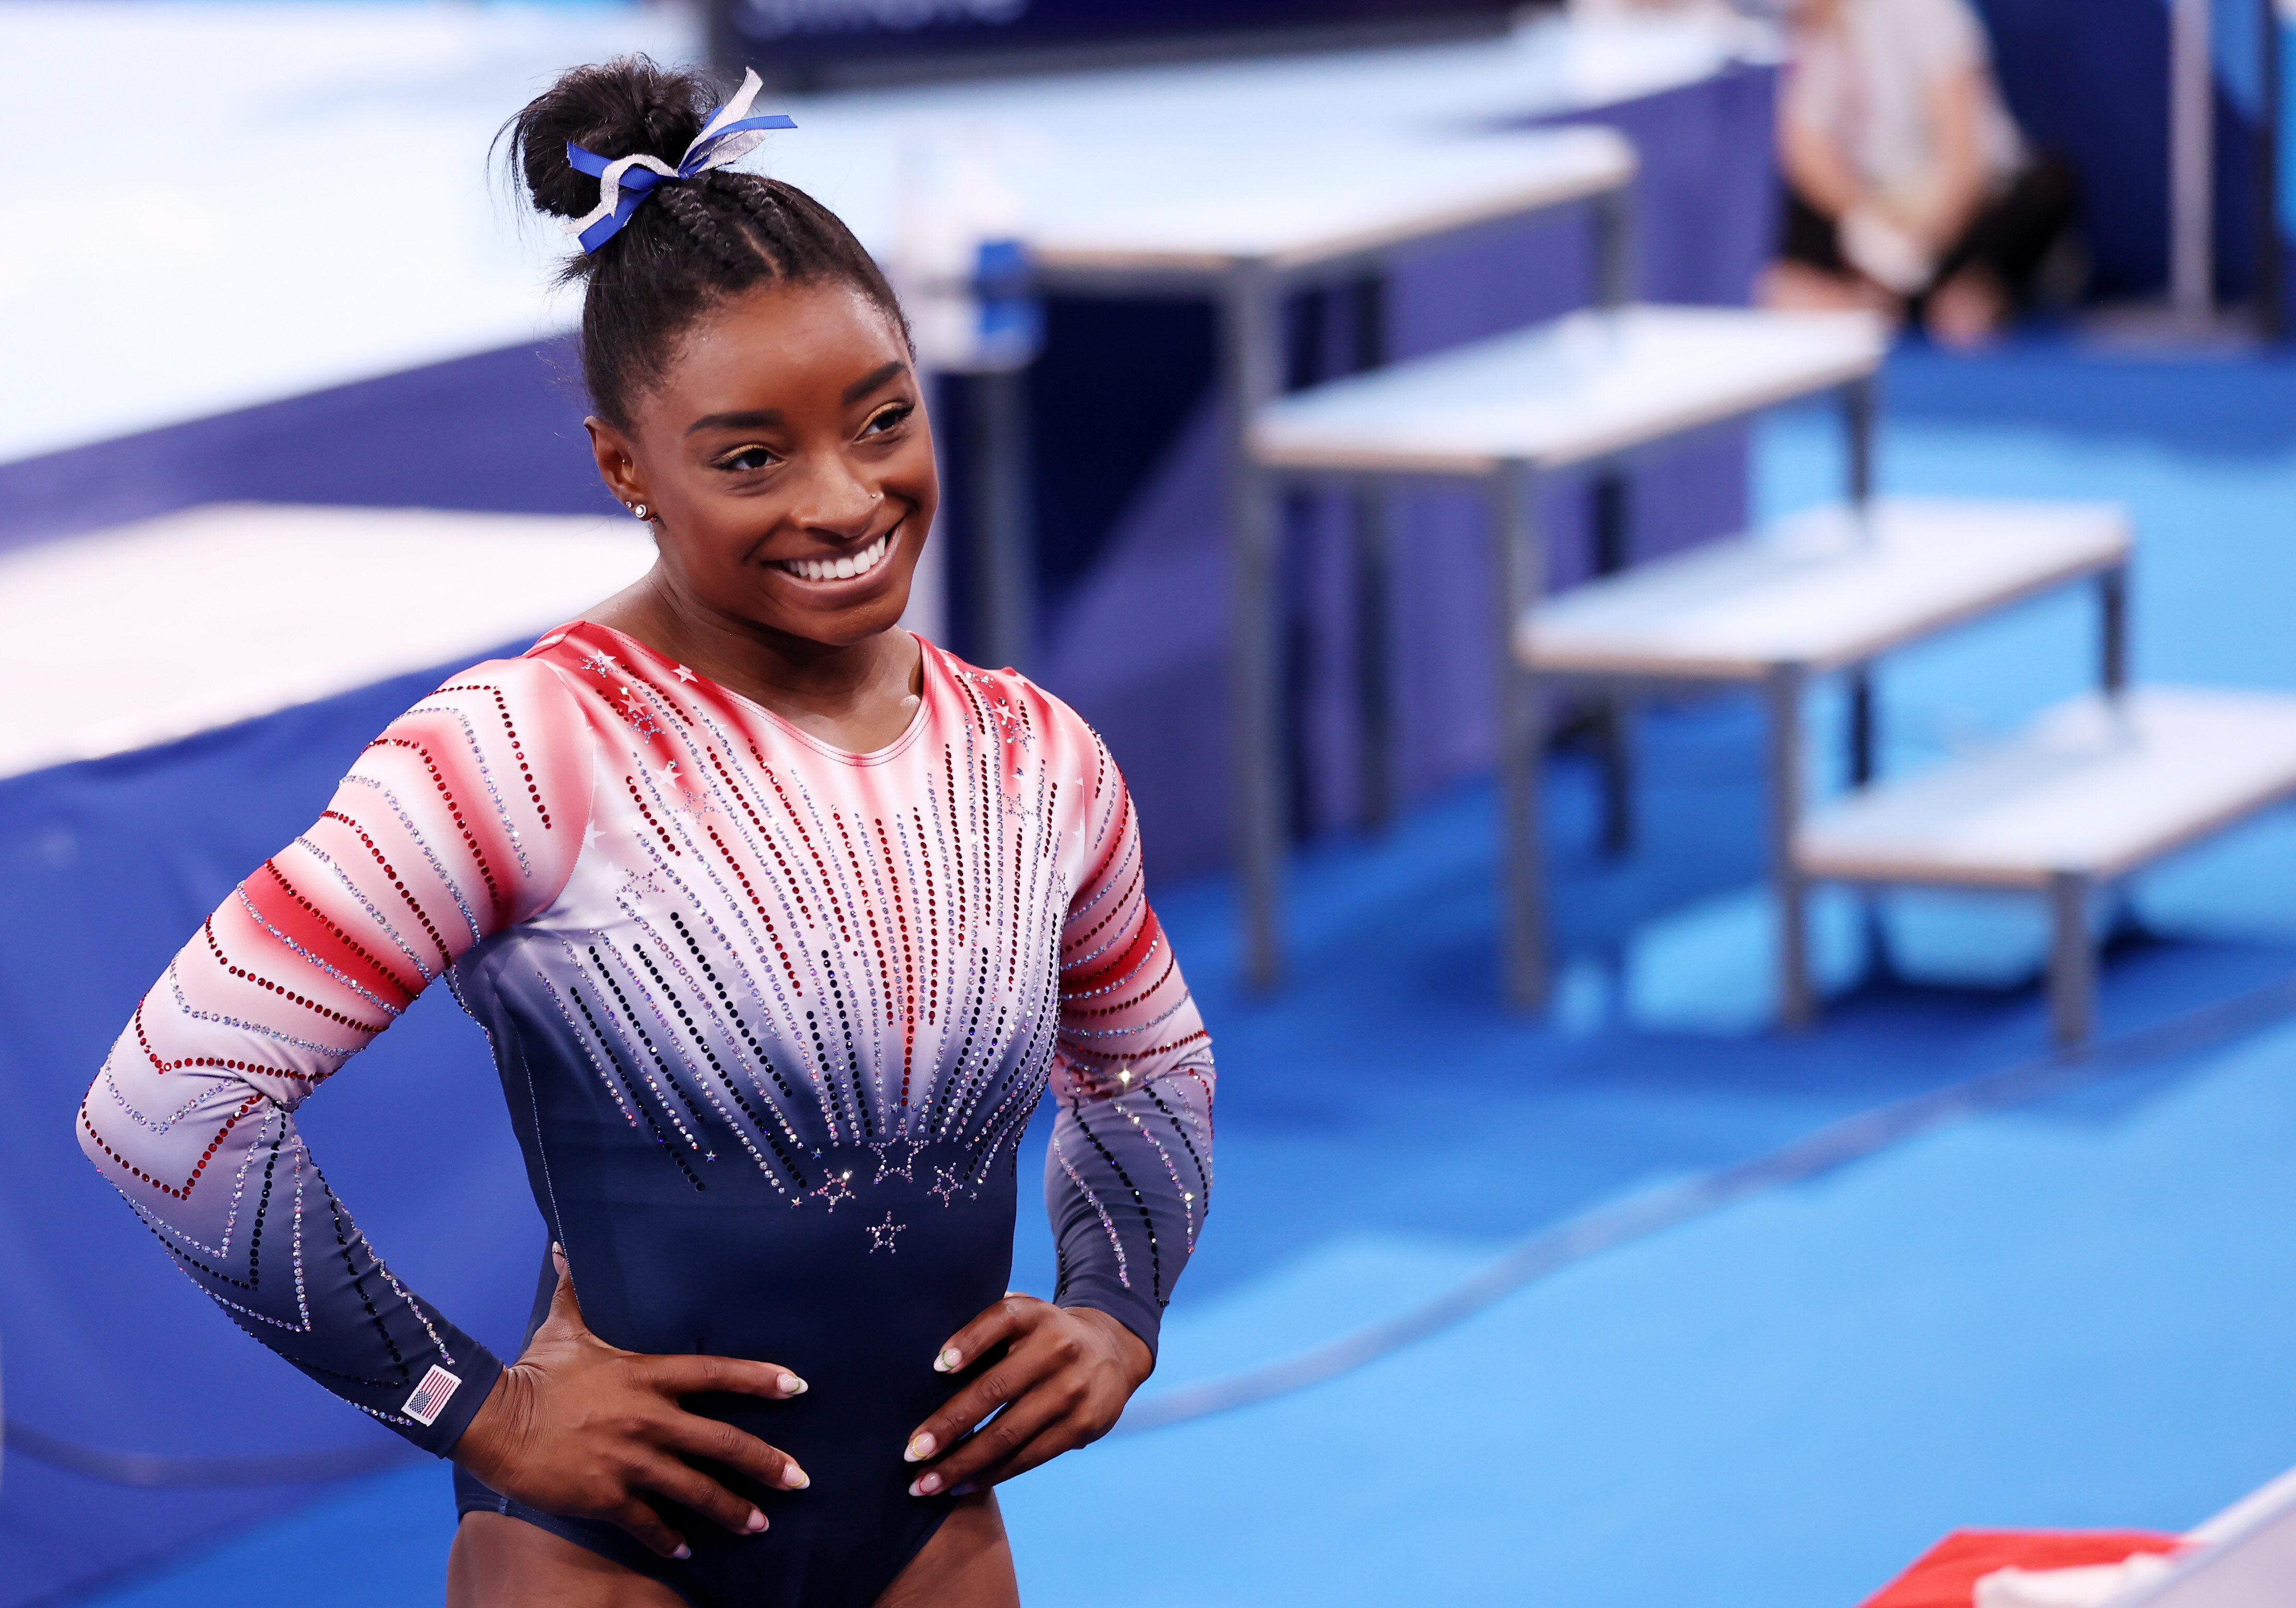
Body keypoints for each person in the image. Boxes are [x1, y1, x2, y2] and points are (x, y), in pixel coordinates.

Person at [75, 56, 1215, 1608]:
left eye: (882, 419)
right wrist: (465, 1401)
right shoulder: (521, 755)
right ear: (627, 466)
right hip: (611, 1560)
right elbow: (171, 1100)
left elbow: (1148, 1063)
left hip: (934, 1543)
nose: (845, 497)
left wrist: (1119, 1305)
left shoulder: (1033, 758)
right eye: (751, 456)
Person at [1758, 0, 2075, 347]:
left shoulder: (1919, 9)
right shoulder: (1802, 40)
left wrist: (1931, 238)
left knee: (2049, 184)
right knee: (1776, 209)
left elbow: (1961, 145)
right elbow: (1804, 151)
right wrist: (1864, 221)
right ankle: (1882, 297)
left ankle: (1953, 289)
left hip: (1965, 204)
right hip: (1880, 208)